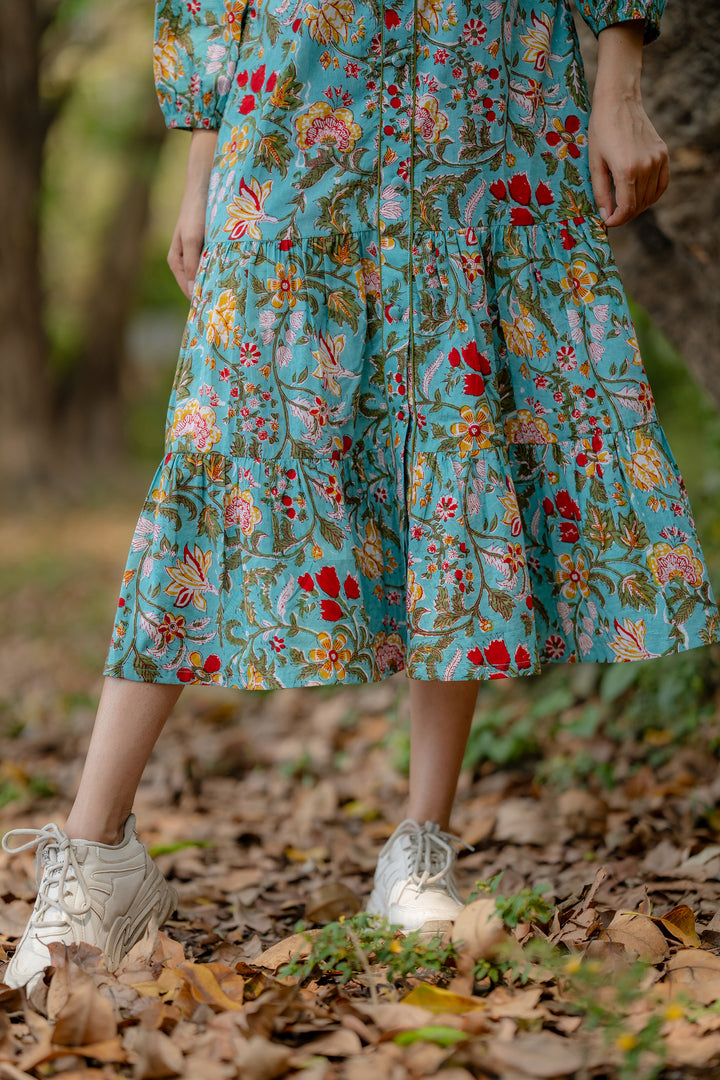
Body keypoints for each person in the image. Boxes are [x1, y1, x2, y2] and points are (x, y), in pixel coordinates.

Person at [3, 0, 718, 993]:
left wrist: (620, 81)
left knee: (459, 416)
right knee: (224, 437)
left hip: (487, 76)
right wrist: (203, 164)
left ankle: (421, 844)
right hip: (296, 83)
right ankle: (94, 856)